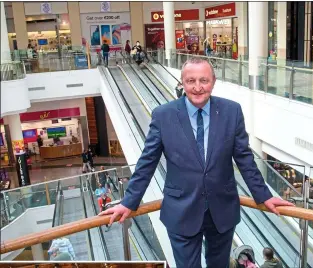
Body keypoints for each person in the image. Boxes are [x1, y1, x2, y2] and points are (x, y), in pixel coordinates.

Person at [99, 57, 294, 268]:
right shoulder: (163, 115)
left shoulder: (232, 111)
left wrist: (264, 195)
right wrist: (129, 202)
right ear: (182, 82)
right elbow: (147, 162)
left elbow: (244, 158)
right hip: (181, 210)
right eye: (191, 81)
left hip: (222, 210)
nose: (198, 87)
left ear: (214, 81)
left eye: (204, 80)